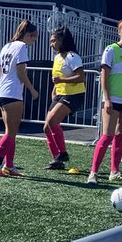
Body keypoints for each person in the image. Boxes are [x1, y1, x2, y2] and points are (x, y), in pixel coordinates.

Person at [87, 16, 122, 184]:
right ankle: (93, 172)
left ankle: (114, 171)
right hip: (113, 100)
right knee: (107, 137)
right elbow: (104, 75)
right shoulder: (111, 50)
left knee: (120, 136)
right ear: (119, 32)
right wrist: (107, 98)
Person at [0, 20, 39, 177]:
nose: (33, 42)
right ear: (29, 35)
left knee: (12, 132)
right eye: (33, 38)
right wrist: (32, 89)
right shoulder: (21, 47)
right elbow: (22, 73)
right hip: (13, 93)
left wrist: (8, 77)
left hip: (2, 92)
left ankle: (9, 166)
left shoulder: (6, 46)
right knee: (10, 133)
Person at [43, 27, 84, 169]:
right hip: (60, 94)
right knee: (46, 128)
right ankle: (57, 160)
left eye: (53, 41)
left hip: (74, 94)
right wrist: (55, 90)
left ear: (62, 40)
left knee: (53, 121)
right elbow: (57, 78)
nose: (51, 44)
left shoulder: (72, 56)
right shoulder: (57, 57)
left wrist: (61, 81)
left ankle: (63, 153)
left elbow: (81, 77)